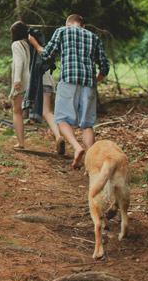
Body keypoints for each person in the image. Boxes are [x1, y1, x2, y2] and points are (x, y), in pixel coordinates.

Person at [28, 14, 109, 168]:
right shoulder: (94, 37)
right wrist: (94, 81)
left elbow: (46, 54)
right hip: (89, 84)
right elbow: (104, 67)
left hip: (68, 81)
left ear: (68, 23)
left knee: (61, 119)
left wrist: (35, 43)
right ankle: (90, 165)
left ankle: (77, 147)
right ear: (82, 26)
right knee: (87, 125)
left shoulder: (62, 31)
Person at [24, 28, 63, 154]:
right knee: (48, 111)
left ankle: (58, 136)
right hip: (49, 81)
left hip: (42, 81)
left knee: (46, 112)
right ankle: (59, 136)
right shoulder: (45, 48)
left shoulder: (36, 50)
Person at [9, 21, 30, 149]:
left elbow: (19, 62)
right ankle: (58, 136)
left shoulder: (16, 44)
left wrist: (17, 80)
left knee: (17, 112)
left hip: (23, 82)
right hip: (34, 82)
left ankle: (21, 143)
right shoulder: (29, 44)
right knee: (46, 111)